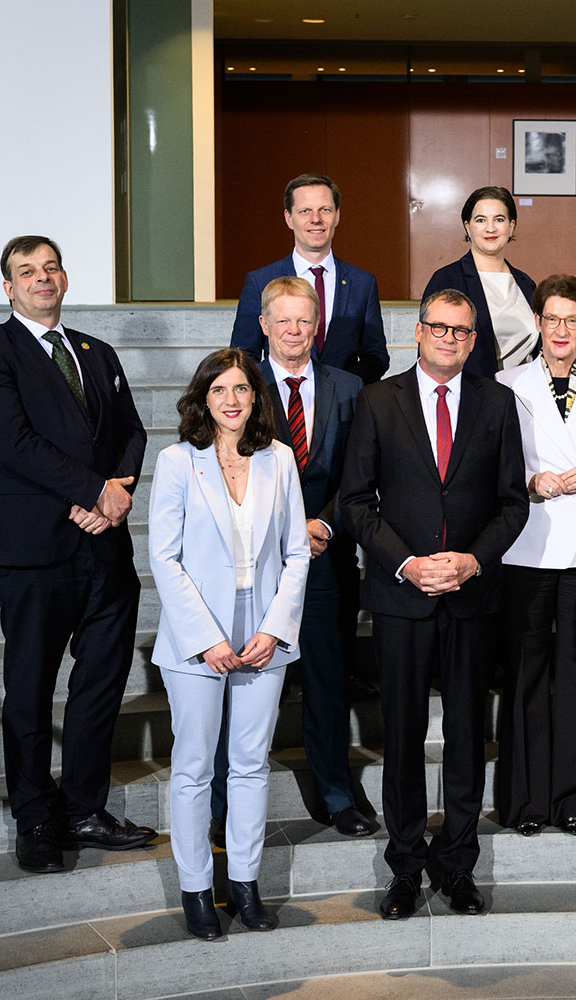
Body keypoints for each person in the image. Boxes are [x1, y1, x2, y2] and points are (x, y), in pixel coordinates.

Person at [0, 235, 154, 875]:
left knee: (100, 683)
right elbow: (12, 443)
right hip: (32, 550)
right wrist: (94, 490)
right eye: (27, 271)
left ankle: (85, 809)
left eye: (50, 267)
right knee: (31, 686)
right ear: (8, 288)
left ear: (64, 278)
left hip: (105, 543)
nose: (42, 278)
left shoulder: (96, 352)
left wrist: (114, 493)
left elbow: (131, 430)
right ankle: (36, 817)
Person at [338, 289, 530, 921]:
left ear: (474, 341)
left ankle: (458, 864)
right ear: (417, 332)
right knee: (402, 736)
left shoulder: (497, 402)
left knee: (468, 736)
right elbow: (355, 502)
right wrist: (408, 563)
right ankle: (405, 865)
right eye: (439, 327)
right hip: (402, 596)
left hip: (471, 596)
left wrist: (473, 561)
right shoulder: (378, 401)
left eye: (461, 330)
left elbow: (513, 504)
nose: (449, 338)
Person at [148, 348, 310, 940]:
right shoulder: (176, 462)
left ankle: (244, 883)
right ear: (203, 399)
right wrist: (207, 638)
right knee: (194, 767)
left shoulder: (279, 458)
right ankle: (196, 889)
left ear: (255, 396)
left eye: (241, 388)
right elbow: (163, 557)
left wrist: (274, 628)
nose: (232, 400)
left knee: (249, 764)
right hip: (197, 635)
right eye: (219, 390)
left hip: (264, 630)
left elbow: (296, 552)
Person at [209, 278, 372, 844]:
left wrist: (322, 524)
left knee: (328, 682)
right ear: (263, 325)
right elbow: (224, 467)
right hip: (253, 562)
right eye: (283, 321)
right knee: (240, 686)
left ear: (317, 324)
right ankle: (224, 803)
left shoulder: (350, 387)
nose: (294, 331)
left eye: (304, 320)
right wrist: (285, 527)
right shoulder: (239, 387)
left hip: (326, 555)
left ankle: (336, 795)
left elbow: (360, 472)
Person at [496, 274, 576, 838]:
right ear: (538, 323)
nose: (561, 330)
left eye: (572, 320)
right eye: (552, 319)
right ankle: (526, 799)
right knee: (526, 675)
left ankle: (575, 798)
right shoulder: (507, 383)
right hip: (526, 543)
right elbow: (495, 460)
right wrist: (530, 481)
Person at [230, 172, 390, 384]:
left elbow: (376, 357)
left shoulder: (363, 283)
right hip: (280, 400)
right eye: (305, 211)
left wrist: (340, 387)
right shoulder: (260, 282)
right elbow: (243, 356)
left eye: (325, 210)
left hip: (344, 403)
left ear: (337, 216)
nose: (316, 219)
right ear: (289, 218)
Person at [423, 186, 538, 379]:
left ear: (511, 226)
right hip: (473, 393)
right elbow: (430, 351)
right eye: (480, 220)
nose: (490, 228)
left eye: (499, 219)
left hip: (525, 392)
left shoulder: (526, 284)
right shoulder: (447, 279)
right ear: (467, 227)